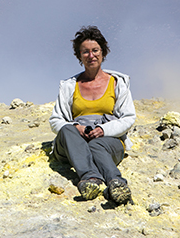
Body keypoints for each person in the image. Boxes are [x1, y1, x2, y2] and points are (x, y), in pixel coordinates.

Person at [49, 26, 137, 205]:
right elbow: (55, 120)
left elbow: (128, 117)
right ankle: (91, 180)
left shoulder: (117, 83)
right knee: (66, 129)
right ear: (79, 56)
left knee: (97, 145)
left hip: (106, 140)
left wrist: (103, 130)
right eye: (85, 52)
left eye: (95, 50)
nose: (91, 55)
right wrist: (76, 127)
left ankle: (116, 183)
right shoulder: (69, 86)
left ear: (103, 52)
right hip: (74, 143)